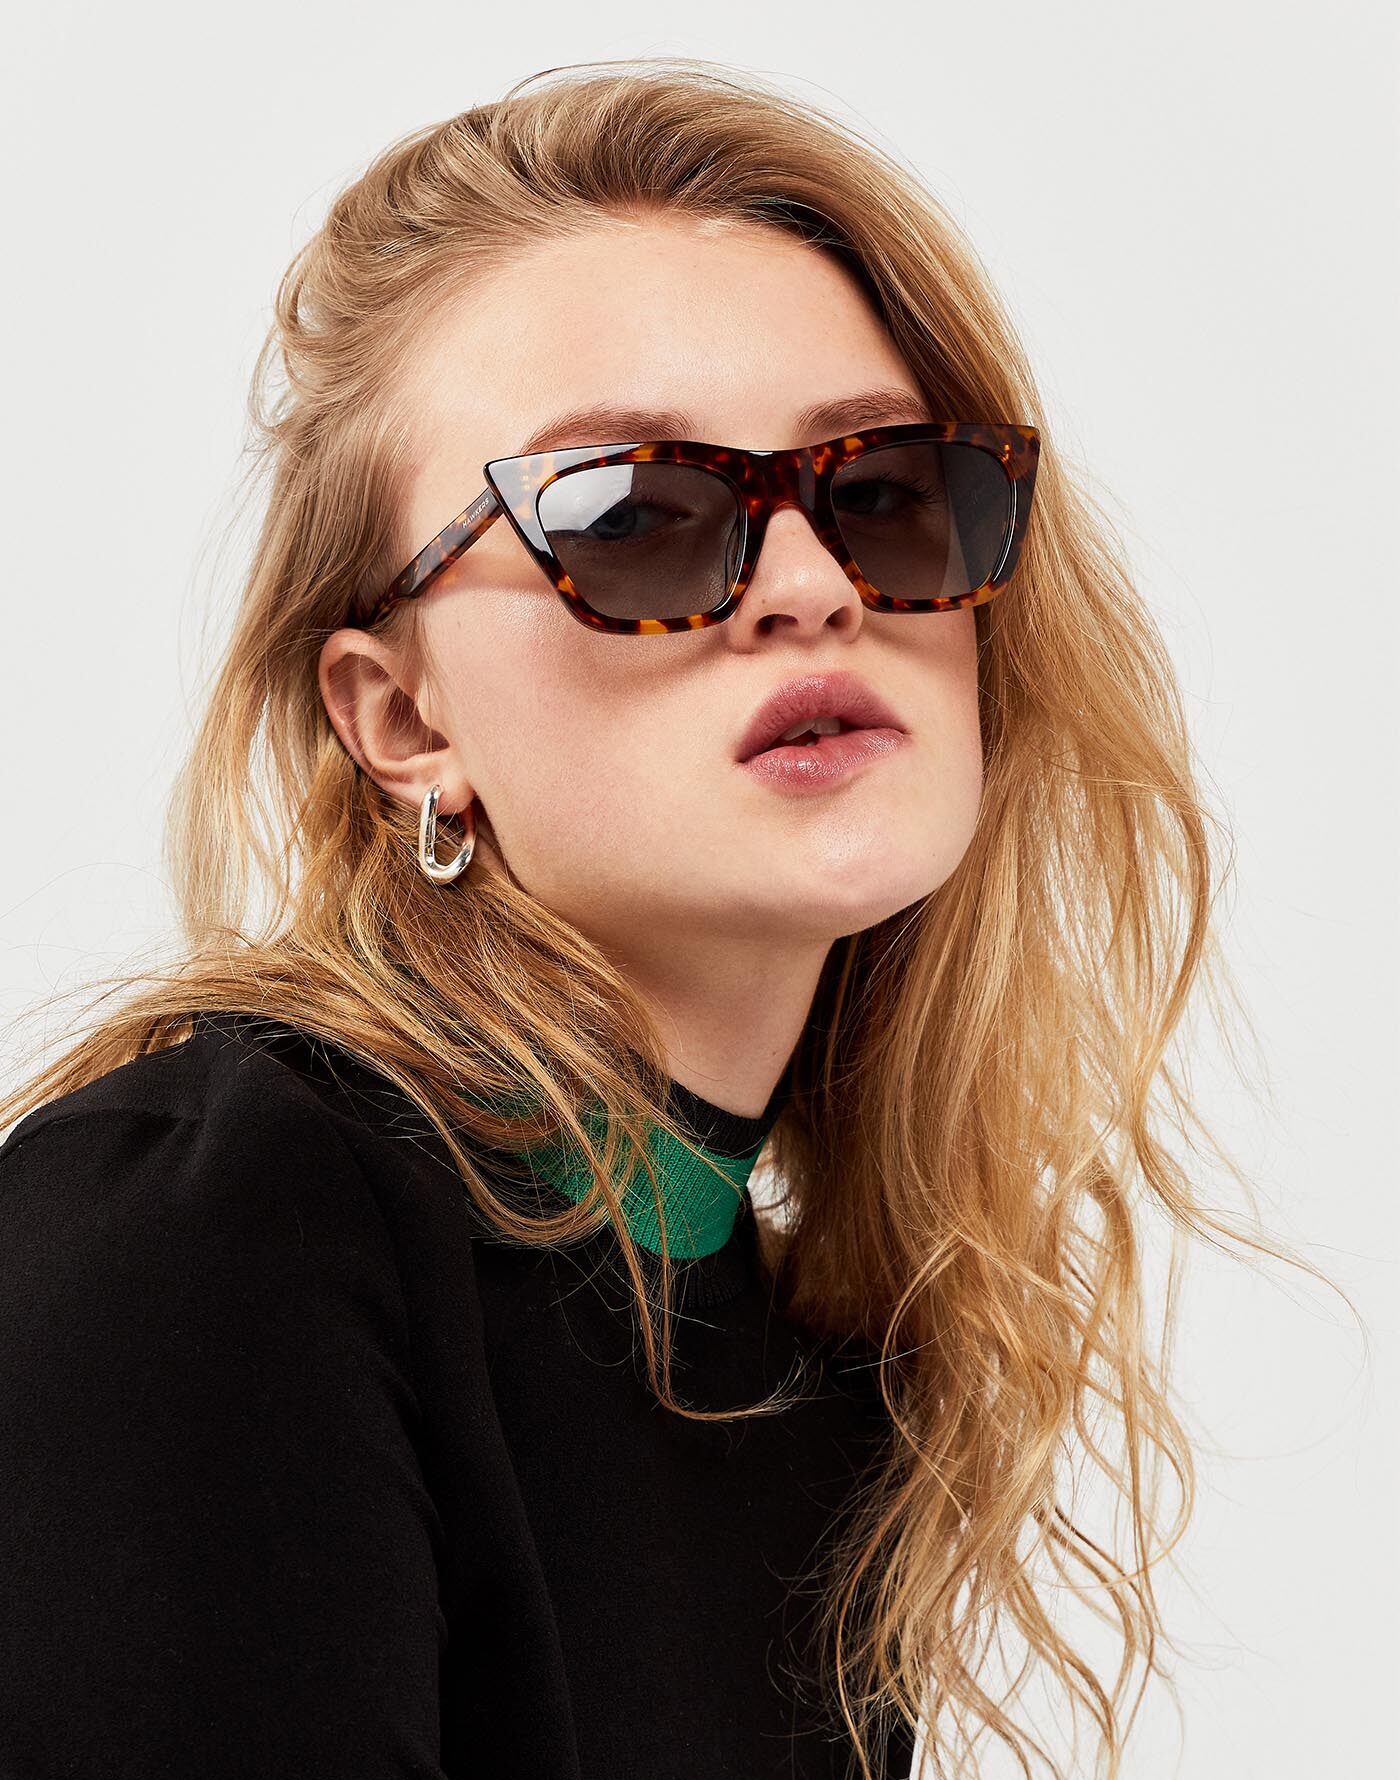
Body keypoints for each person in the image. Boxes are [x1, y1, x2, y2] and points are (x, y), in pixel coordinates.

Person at [0, 55, 1305, 1780]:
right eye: (630, 518)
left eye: (882, 490)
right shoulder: (210, 1232)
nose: (814, 588)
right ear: (402, 718)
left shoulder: (811, 1371)